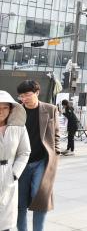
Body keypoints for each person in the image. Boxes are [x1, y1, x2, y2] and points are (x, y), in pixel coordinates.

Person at [16, 80, 60, 231]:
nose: (24, 98)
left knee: (40, 197)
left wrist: (56, 154)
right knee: (19, 202)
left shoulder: (50, 109)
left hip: (41, 161)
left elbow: (56, 134)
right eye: (21, 96)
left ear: (37, 92)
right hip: (20, 163)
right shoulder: (16, 111)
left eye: (27, 94)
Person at [0, 90, 31, 231]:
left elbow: (24, 152)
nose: (1, 111)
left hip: (8, 174)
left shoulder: (19, 128)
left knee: (6, 217)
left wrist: (14, 173)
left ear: (11, 108)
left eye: (5, 107)